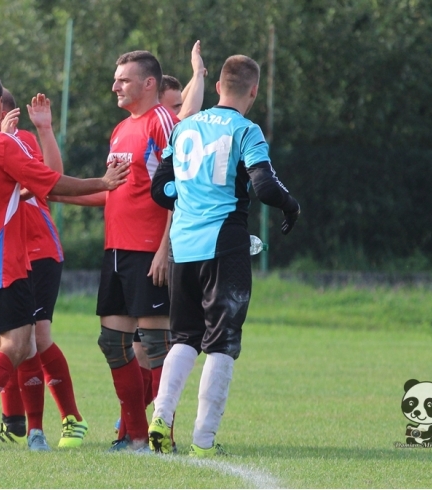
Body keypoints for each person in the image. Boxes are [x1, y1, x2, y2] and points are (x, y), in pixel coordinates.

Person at [0, 70, 130, 450]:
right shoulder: (3, 145)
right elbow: (50, 183)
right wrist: (101, 183)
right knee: (19, 344)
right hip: (0, 263)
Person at [52, 43, 205, 452]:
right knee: (112, 342)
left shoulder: (162, 122)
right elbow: (115, 192)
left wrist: (164, 249)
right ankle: (134, 433)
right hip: (116, 250)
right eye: (116, 79)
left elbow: (181, 190)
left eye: (123, 79)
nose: (114, 86)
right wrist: (56, 193)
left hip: (148, 251)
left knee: (156, 347)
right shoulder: (121, 129)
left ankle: (160, 436)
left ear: (149, 83)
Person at [147, 55, 300, 456]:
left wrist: (192, 195)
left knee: (184, 337)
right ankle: (203, 441)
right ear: (253, 90)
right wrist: (291, 206)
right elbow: (264, 186)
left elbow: (160, 190)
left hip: (183, 247)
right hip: (224, 246)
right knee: (221, 341)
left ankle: (161, 417)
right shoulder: (246, 130)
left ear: (217, 86)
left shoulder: (184, 127)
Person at [0, 89, 88, 451]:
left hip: (38, 251)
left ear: (2, 112)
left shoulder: (17, 140)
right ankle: (19, 425)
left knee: (37, 336)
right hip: (6, 254)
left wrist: (43, 130)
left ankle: (71, 419)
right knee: (10, 342)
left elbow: (50, 179)